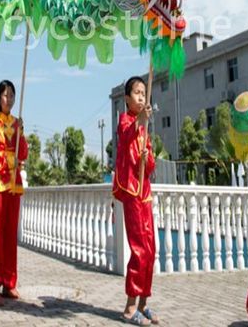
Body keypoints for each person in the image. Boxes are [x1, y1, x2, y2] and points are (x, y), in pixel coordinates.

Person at [113, 76, 159, 326]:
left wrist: (146, 158)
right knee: (139, 248)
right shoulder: (126, 120)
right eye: (137, 93)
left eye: (144, 93)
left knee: (151, 250)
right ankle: (130, 307)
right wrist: (139, 122)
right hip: (131, 190)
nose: (142, 96)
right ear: (127, 98)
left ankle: (143, 303)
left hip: (145, 192)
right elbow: (125, 135)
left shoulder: (145, 129)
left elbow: (150, 165)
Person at [0, 79, 28, 306]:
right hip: (0, 184)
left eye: (12, 95)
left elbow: (24, 153)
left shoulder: (15, 123)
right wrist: (11, 161)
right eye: (5, 95)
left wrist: (21, 131)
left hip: (14, 186)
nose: (9, 99)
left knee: (11, 235)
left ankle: (9, 283)